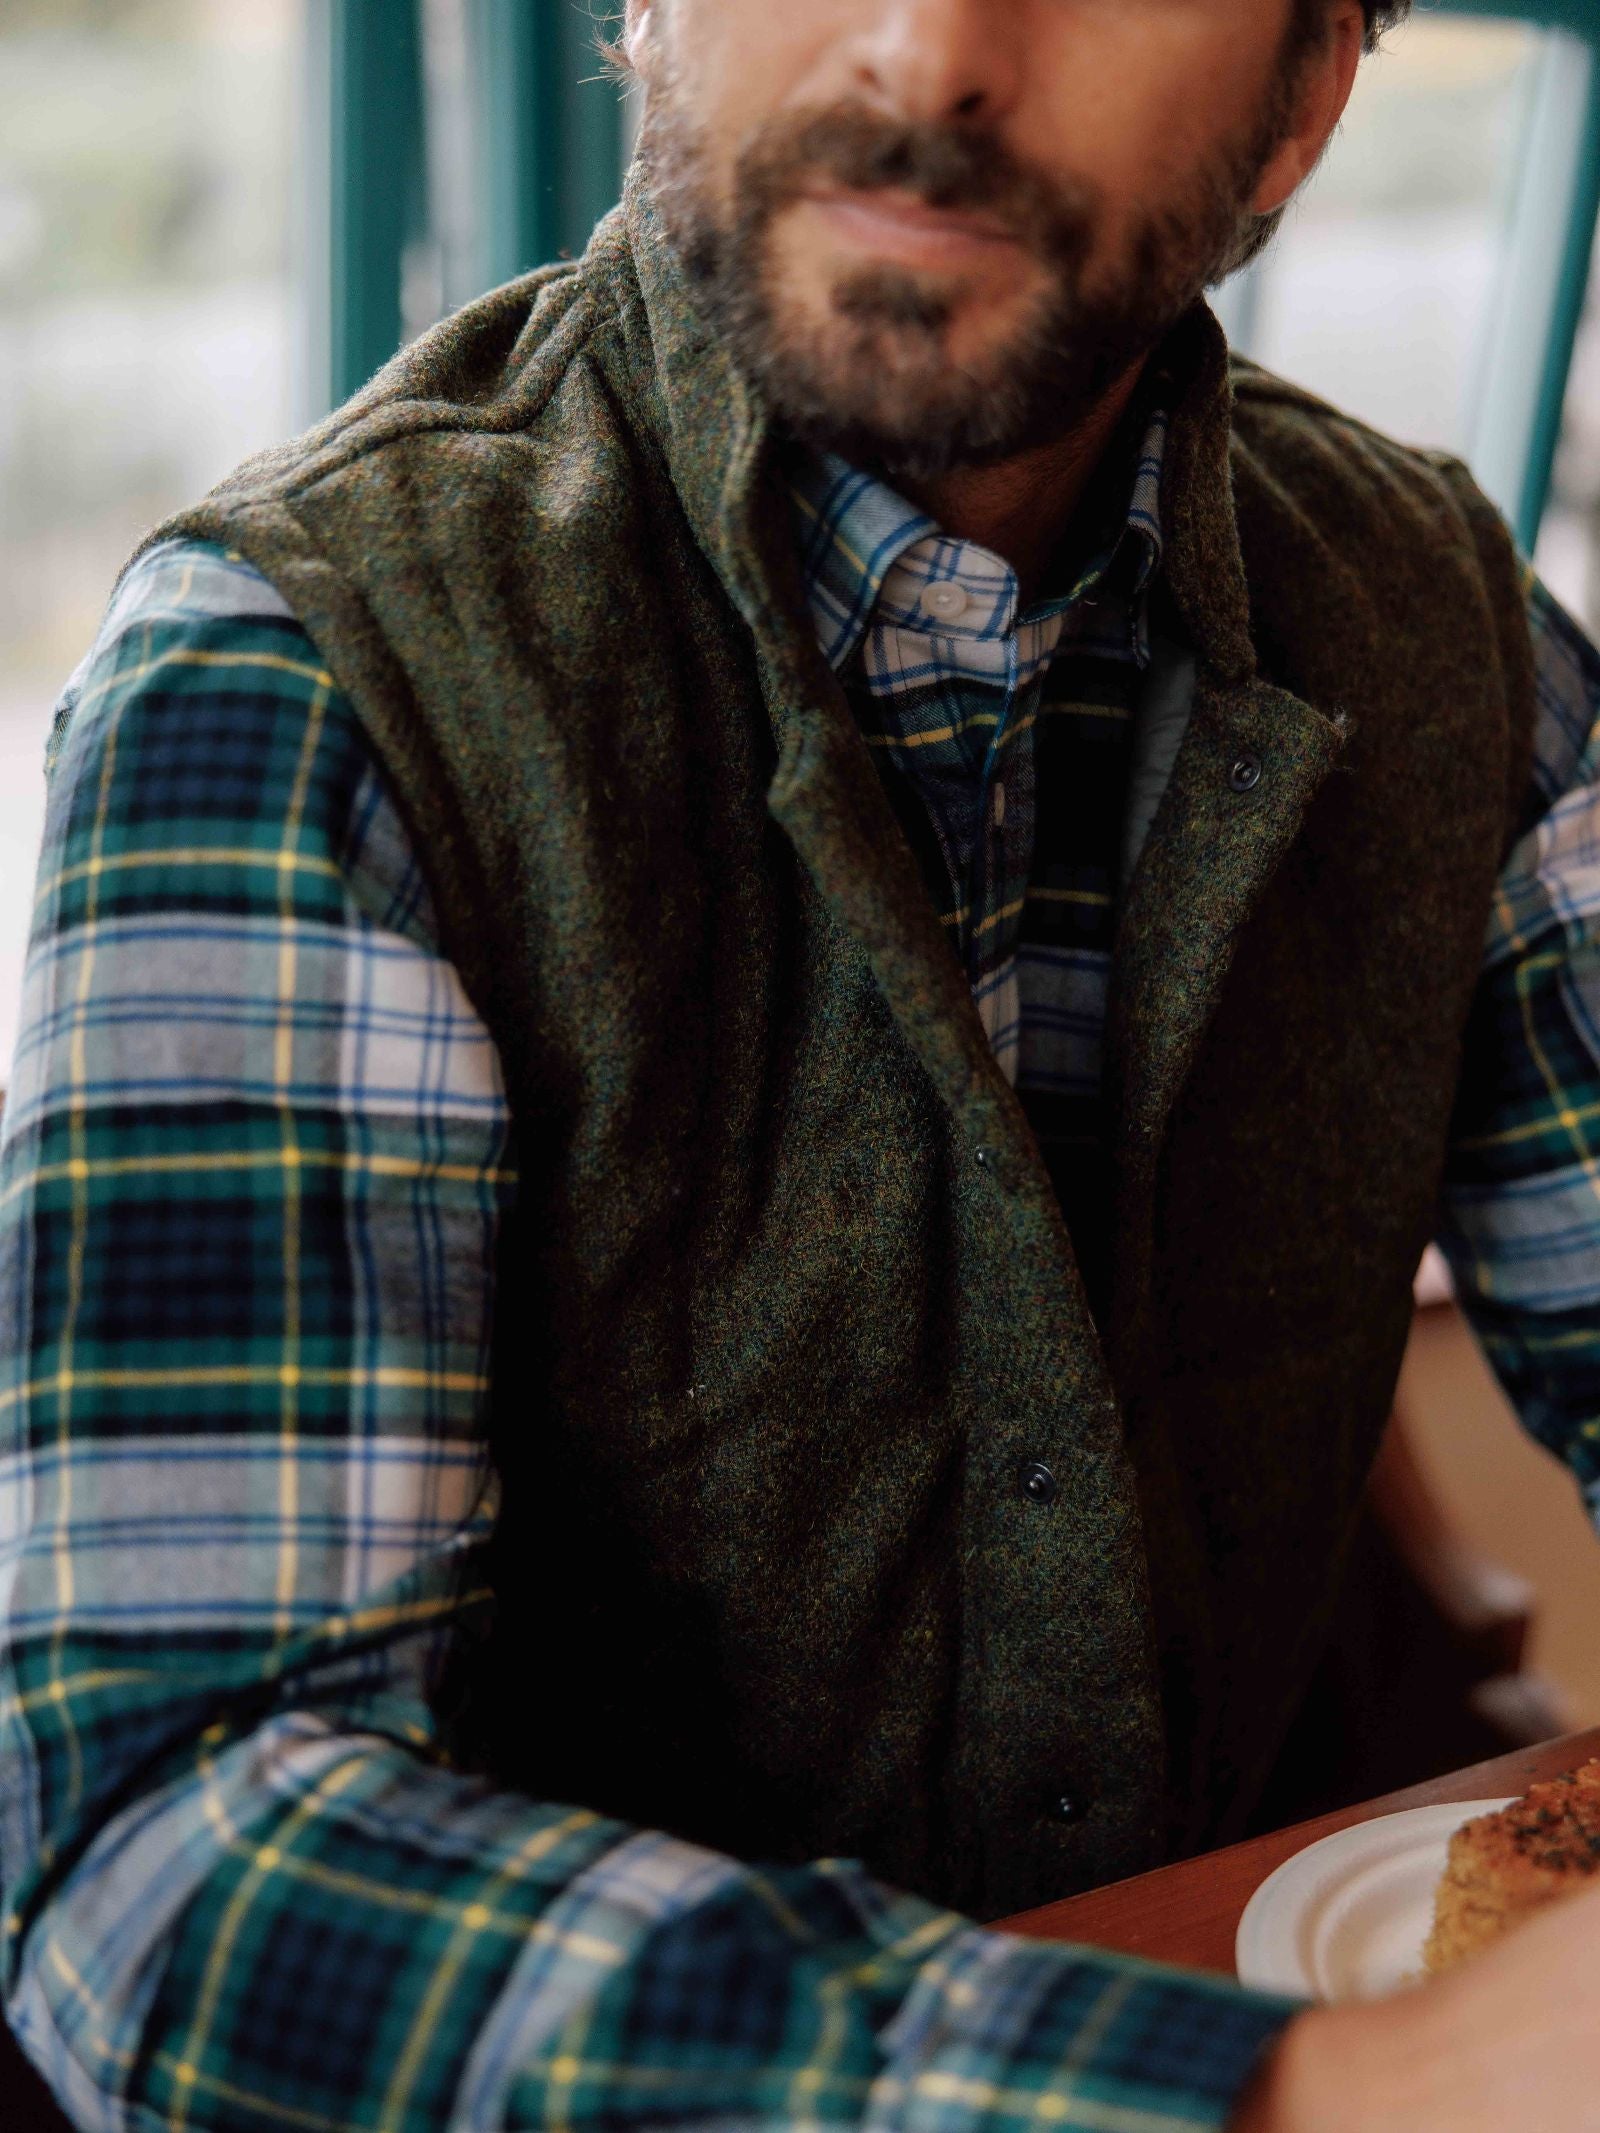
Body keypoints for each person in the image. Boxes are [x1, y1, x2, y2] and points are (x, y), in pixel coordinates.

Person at [7, 0, 1600, 2126]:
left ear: (1304, 93)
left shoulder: (1446, 626)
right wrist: (1310, 2090)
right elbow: (177, 1870)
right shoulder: (296, 678)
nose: (926, 55)